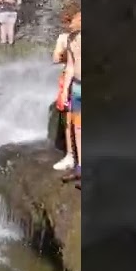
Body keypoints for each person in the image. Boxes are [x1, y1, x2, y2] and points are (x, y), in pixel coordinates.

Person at [52, 7, 80, 171]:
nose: (68, 25)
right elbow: (56, 58)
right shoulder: (64, 38)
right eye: (66, 22)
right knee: (69, 118)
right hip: (70, 80)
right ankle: (70, 155)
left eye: (70, 21)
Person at [60, 12, 82, 188]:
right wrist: (64, 90)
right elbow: (70, 66)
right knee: (78, 128)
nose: (68, 25)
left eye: (70, 21)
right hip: (76, 87)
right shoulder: (70, 39)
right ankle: (80, 168)